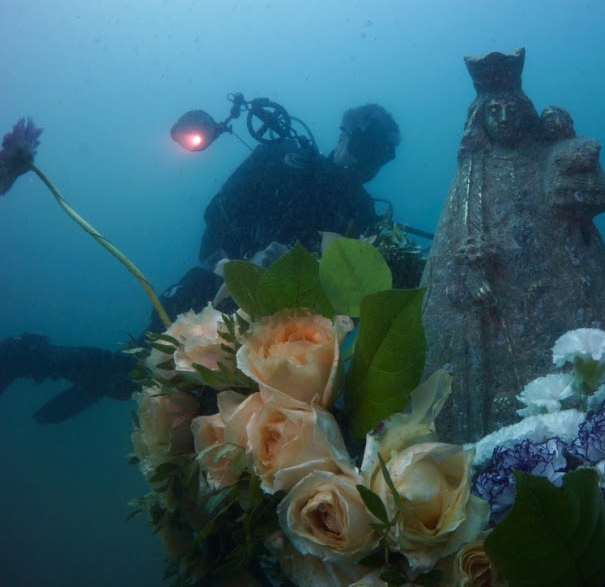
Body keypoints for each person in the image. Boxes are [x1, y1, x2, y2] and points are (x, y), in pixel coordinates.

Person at [0, 103, 402, 422]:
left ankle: (93, 376)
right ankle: (29, 356)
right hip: (210, 291)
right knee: (141, 372)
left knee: (196, 406)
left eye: (376, 161)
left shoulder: (362, 215)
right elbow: (218, 213)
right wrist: (238, 259)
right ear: (344, 134)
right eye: (362, 149)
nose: (362, 166)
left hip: (278, 334)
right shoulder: (284, 158)